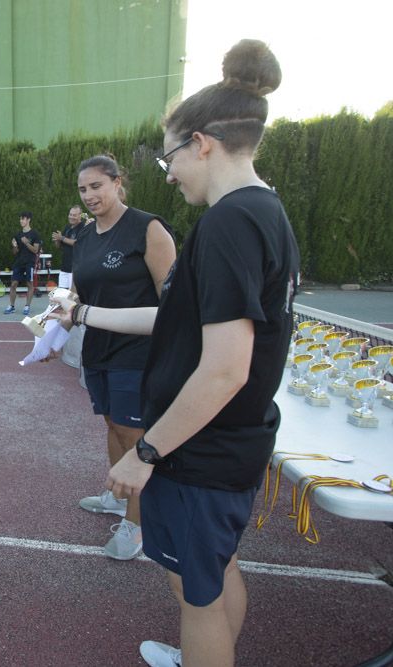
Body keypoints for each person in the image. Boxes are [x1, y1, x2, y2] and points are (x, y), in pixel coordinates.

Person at [54, 41, 297, 667]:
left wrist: (147, 451)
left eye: (170, 155)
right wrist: (82, 314)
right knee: (213, 576)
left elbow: (224, 367)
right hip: (231, 440)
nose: (167, 172)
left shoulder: (228, 223)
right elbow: (177, 321)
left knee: (196, 595)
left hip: (202, 449)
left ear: (203, 142)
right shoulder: (263, 212)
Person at [69, 155, 176, 561]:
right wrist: (50, 330)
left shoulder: (147, 228)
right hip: (98, 349)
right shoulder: (86, 237)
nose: (90, 195)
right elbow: (79, 295)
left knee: (135, 437)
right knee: (113, 424)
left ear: (117, 183)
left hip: (138, 352)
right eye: (83, 189)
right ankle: (117, 495)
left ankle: (137, 524)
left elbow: (172, 299)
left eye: (97, 186)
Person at [4, 212, 43, 316]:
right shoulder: (17, 235)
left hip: (29, 263)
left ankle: (27, 306)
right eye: (20, 219)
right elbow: (14, 252)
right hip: (18, 263)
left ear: (29, 220)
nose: (21, 221)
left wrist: (26, 243)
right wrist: (14, 246)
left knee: (29, 284)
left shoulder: (35, 234)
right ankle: (11, 306)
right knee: (13, 284)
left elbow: (35, 250)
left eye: (23, 219)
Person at [52, 206, 88, 289]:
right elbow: (59, 246)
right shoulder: (67, 227)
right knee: (62, 294)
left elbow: (78, 243)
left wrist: (61, 238)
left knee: (73, 296)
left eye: (74, 215)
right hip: (64, 267)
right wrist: (57, 240)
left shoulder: (83, 227)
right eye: (70, 214)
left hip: (76, 269)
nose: (71, 217)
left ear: (80, 216)